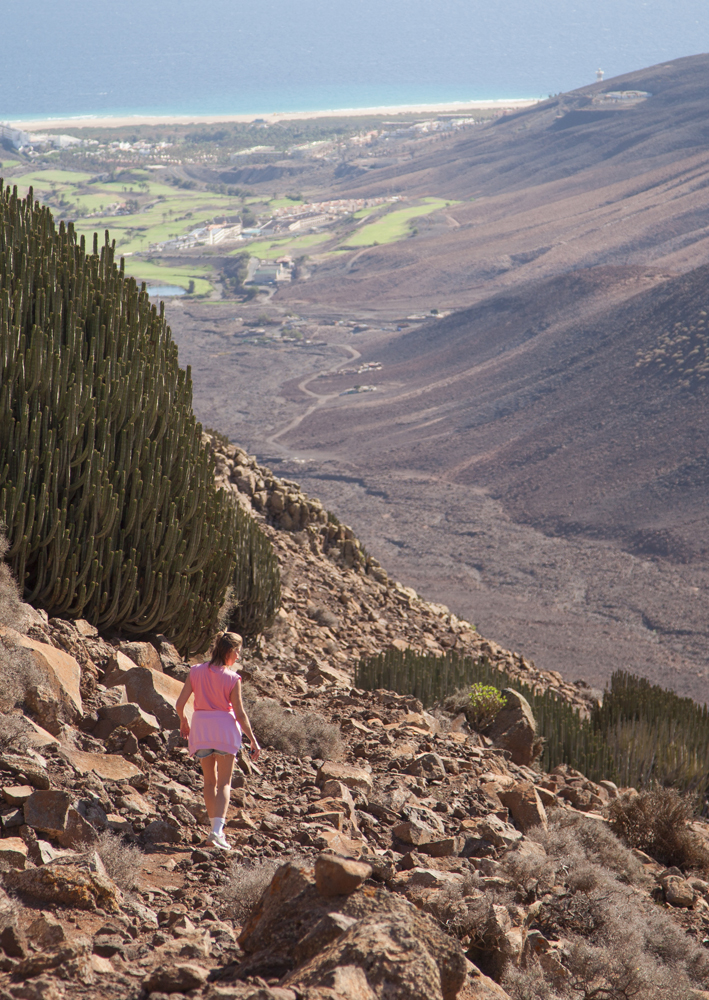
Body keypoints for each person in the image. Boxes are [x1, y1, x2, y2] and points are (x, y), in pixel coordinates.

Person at [175, 630, 260, 850]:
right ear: (230, 651)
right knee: (224, 783)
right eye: (238, 652)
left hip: (201, 730)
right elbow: (240, 714)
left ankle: (213, 831)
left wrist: (184, 722)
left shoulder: (195, 671)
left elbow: (180, 703)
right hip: (224, 731)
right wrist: (252, 739)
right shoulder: (233, 678)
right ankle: (216, 832)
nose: (238, 657)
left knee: (209, 782)